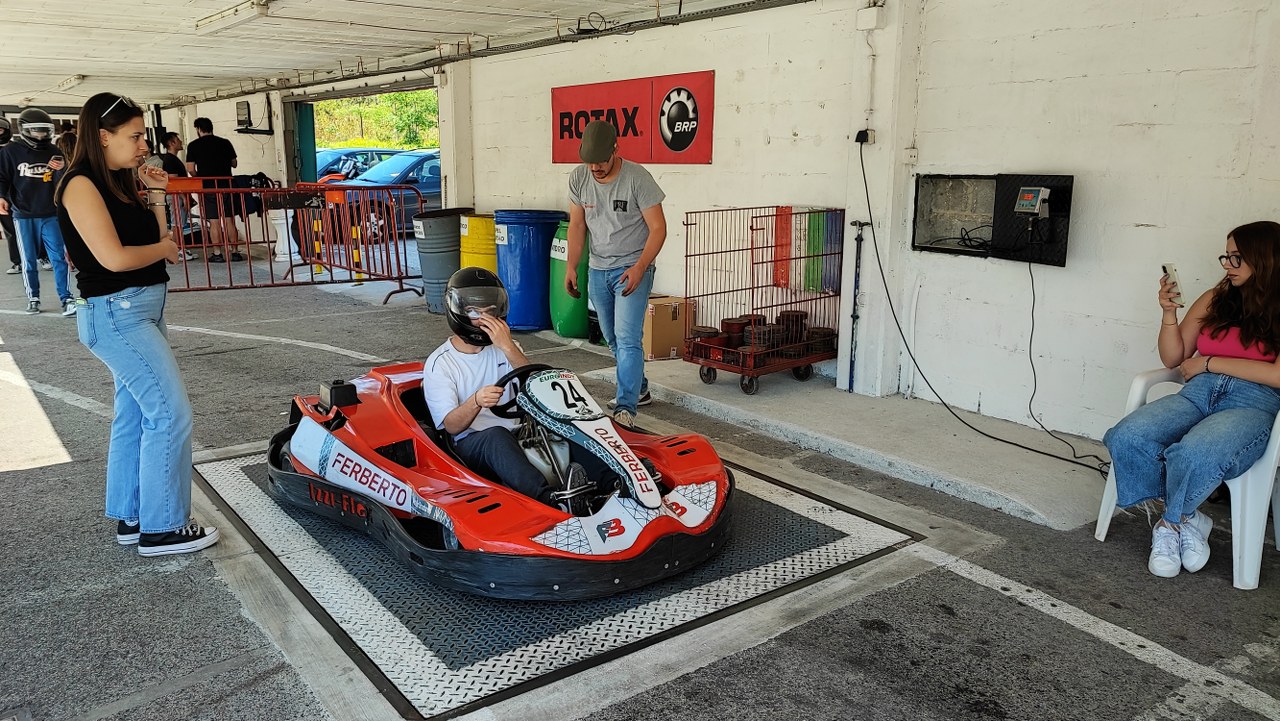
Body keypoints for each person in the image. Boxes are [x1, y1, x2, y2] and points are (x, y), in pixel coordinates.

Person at [55, 92, 218, 556]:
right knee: (170, 414)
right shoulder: (81, 184)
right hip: (116, 312)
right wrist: (165, 251)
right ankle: (163, 527)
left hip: (138, 310)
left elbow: (159, 235)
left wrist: (160, 193)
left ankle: (133, 516)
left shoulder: (120, 180)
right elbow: (114, 258)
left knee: (135, 415)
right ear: (102, 137)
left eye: (143, 134)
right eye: (134, 136)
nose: (143, 144)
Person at [1103, 221, 1280, 578]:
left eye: (1236, 258)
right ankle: (1185, 517)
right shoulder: (1217, 298)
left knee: (1194, 452)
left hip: (1253, 402)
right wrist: (1169, 313)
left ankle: (1167, 528)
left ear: (1265, 260)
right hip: (1198, 393)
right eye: (1226, 256)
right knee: (1127, 436)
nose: (1227, 265)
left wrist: (1210, 362)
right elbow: (1174, 358)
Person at [423, 267, 614, 515]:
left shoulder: (506, 348)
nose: (484, 320)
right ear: (457, 311)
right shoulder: (441, 363)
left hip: (521, 432)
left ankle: (613, 484)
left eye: (490, 312)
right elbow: (450, 426)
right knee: (496, 437)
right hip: (472, 443)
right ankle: (551, 503)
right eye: (474, 312)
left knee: (570, 424)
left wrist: (508, 346)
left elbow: (538, 385)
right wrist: (476, 401)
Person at [564, 119, 667, 428]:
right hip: (598, 268)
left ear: (615, 150)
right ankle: (641, 388)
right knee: (612, 338)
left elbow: (659, 229)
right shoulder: (579, 178)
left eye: (601, 161)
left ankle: (626, 407)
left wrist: (640, 268)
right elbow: (578, 225)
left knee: (628, 338)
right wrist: (571, 265)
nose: (595, 167)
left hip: (631, 267)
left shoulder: (637, 178)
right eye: (589, 162)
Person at [0, 108, 75, 315]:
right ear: (24, 130)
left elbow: (62, 182)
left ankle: (66, 298)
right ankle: (33, 296)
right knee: (28, 259)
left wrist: (61, 168)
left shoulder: (54, 151)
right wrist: (1, 197)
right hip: (23, 214)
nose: (41, 135)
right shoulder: (9, 151)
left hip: (51, 213)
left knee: (59, 258)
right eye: (36, 131)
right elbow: (2, 177)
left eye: (44, 131)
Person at [184, 117, 242, 262]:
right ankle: (235, 252)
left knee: (214, 221)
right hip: (227, 186)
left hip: (209, 187)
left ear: (198, 129)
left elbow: (190, 169)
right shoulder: (225, 143)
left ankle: (217, 253)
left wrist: (201, 177)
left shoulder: (193, 145)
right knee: (229, 220)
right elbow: (234, 163)